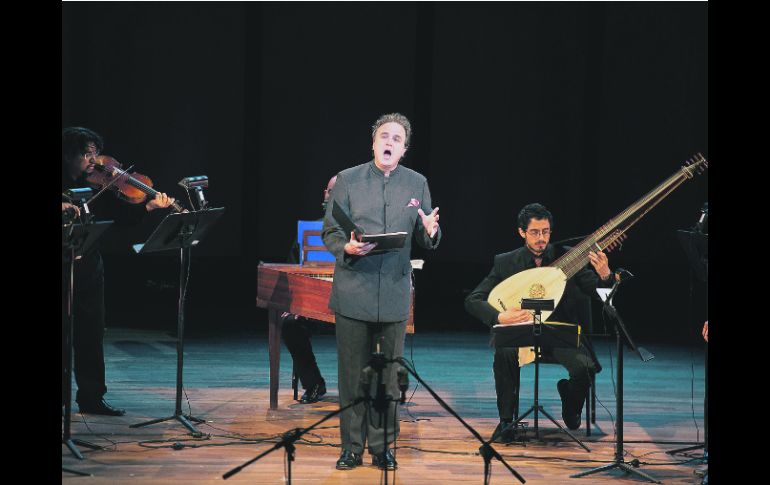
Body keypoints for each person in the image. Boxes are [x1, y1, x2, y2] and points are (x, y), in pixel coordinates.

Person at [322, 113, 441, 470]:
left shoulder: (417, 183)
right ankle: (351, 447)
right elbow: (331, 232)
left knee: (388, 378)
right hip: (353, 290)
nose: (389, 142)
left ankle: (383, 446)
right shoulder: (347, 180)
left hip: (393, 293)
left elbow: (425, 238)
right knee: (352, 375)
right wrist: (347, 248)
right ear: (373, 143)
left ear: (404, 149)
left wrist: (431, 231)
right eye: (384, 136)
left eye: (397, 139)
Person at [464, 203, 613, 442]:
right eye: (535, 232)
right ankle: (506, 422)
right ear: (522, 232)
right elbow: (474, 299)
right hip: (521, 332)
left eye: (546, 232)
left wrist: (605, 276)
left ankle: (571, 403)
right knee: (504, 352)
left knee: (584, 368)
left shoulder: (569, 260)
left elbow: (604, 298)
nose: (541, 238)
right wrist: (499, 316)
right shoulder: (506, 262)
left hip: (559, 334)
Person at [62, 127, 175, 416]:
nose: (94, 161)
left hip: (88, 265)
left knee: (91, 332)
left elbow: (120, 218)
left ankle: (91, 398)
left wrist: (149, 206)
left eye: (95, 153)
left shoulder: (98, 184)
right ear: (68, 154)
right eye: (86, 154)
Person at [280, 175, 338, 404]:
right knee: (290, 324)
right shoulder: (309, 232)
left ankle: (363, 388)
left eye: (338, 192)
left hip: (348, 306)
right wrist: (292, 305)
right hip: (313, 306)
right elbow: (292, 271)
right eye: (329, 191)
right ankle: (314, 384)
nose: (331, 196)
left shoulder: (358, 233)